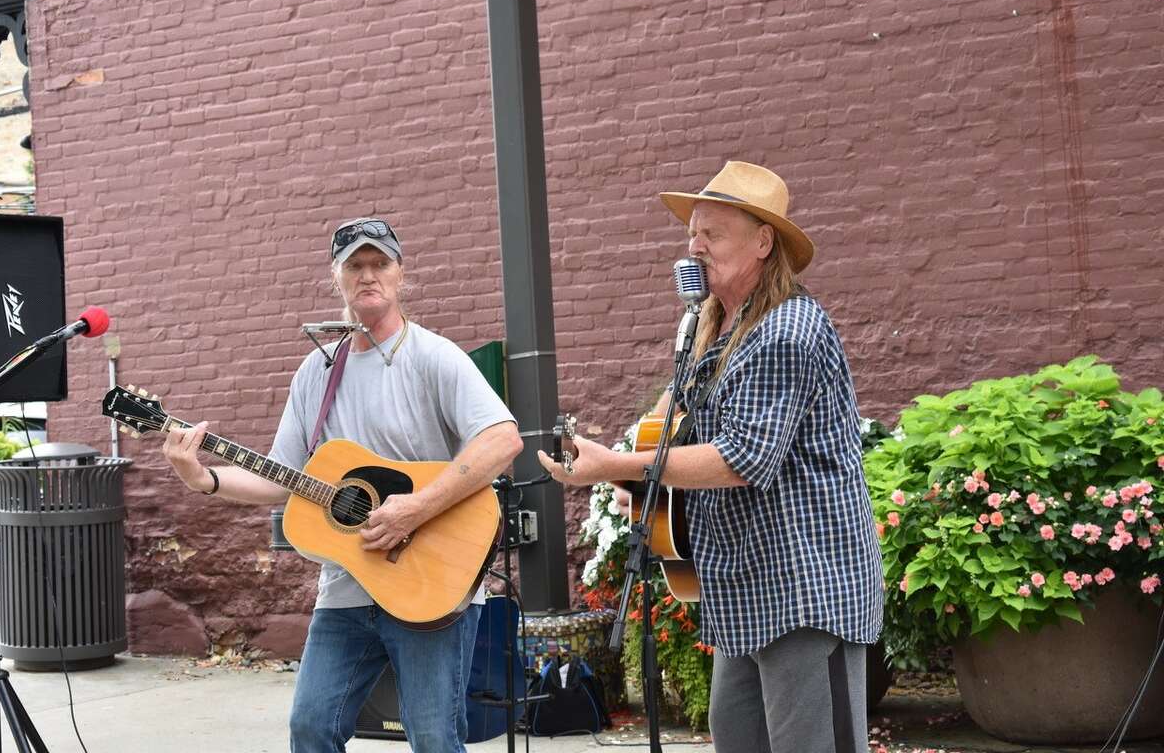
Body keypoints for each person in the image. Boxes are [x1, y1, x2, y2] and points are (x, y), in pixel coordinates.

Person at [539, 162, 883, 753]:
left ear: (762, 242)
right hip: (740, 588)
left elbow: (743, 458)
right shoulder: (708, 326)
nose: (694, 247)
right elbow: (672, 428)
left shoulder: (788, 329)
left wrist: (620, 467)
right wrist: (645, 485)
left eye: (712, 234)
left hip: (805, 589)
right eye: (691, 233)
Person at [163, 217, 523, 753]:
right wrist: (204, 478)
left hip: (431, 584)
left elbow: (502, 440)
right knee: (311, 728)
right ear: (337, 278)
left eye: (380, 263)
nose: (368, 275)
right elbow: (284, 476)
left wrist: (415, 509)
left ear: (401, 275)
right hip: (346, 589)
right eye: (355, 265)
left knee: (433, 738)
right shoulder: (317, 372)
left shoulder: (432, 356)